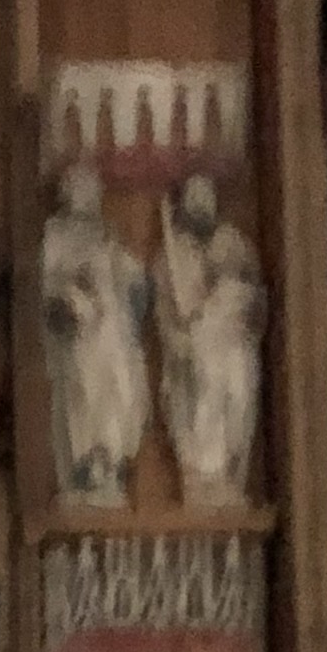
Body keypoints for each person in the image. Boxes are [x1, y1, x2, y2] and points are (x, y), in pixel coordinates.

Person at [38, 159, 152, 507]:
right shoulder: (57, 234)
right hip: (81, 331)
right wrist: (74, 292)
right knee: (84, 395)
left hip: (114, 329)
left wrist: (136, 282)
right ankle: (87, 467)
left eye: (92, 189)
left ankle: (111, 464)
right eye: (80, 188)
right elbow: (49, 284)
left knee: (119, 392)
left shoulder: (107, 234)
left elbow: (129, 274)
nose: (87, 195)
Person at [153, 174, 264, 510]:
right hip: (196, 347)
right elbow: (166, 312)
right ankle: (204, 476)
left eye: (205, 199)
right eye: (194, 200)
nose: (200, 207)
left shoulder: (233, 243)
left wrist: (238, 305)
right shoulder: (173, 255)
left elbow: (255, 296)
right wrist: (181, 333)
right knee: (205, 392)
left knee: (238, 392)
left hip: (232, 341)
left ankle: (228, 471)